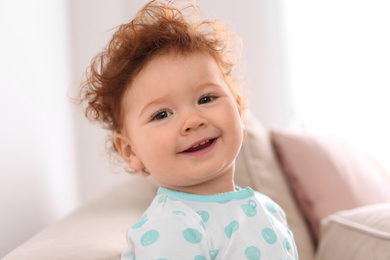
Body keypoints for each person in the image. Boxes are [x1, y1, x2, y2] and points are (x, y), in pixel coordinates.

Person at [78, 0, 298, 259]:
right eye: (161, 114)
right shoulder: (170, 226)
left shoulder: (268, 208)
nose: (193, 121)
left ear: (238, 110)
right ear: (130, 150)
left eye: (206, 99)